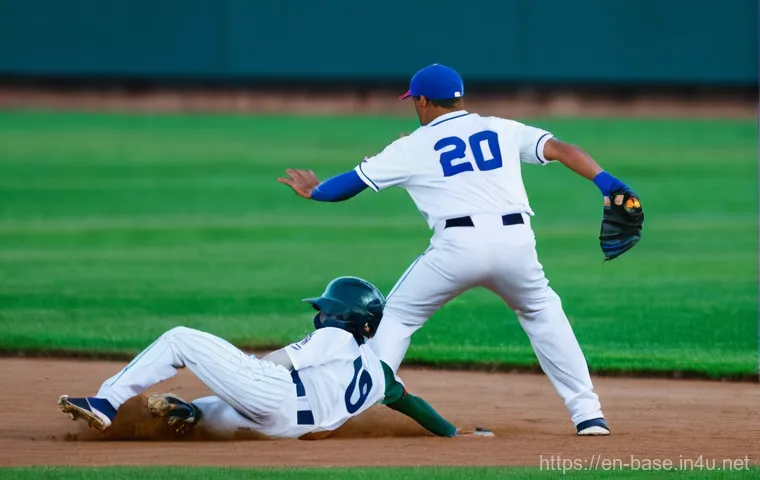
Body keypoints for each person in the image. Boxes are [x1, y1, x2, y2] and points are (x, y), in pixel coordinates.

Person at [277, 64, 641, 436]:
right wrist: (607, 182)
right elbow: (563, 149)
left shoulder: (411, 146)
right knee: (542, 311)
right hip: (517, 245)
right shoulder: (501, 127)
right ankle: (589, 416)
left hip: (457, 248)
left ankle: (350, 405)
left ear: (421, 100)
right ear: (459, 99)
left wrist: (315, 190)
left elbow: (347, 186)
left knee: (399, 316)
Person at [59, 276, 488, 439]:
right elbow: (413, 405)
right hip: (283, 429)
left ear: (344, 316)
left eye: (326, 308)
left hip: (272, 398)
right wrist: (451, 433)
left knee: (180, 339)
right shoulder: (381, 376)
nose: (320, 313)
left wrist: (233, 369)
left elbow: (274, 367)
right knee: (233, 403)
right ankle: (194, 412)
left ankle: (105, 401)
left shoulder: (336, 338)